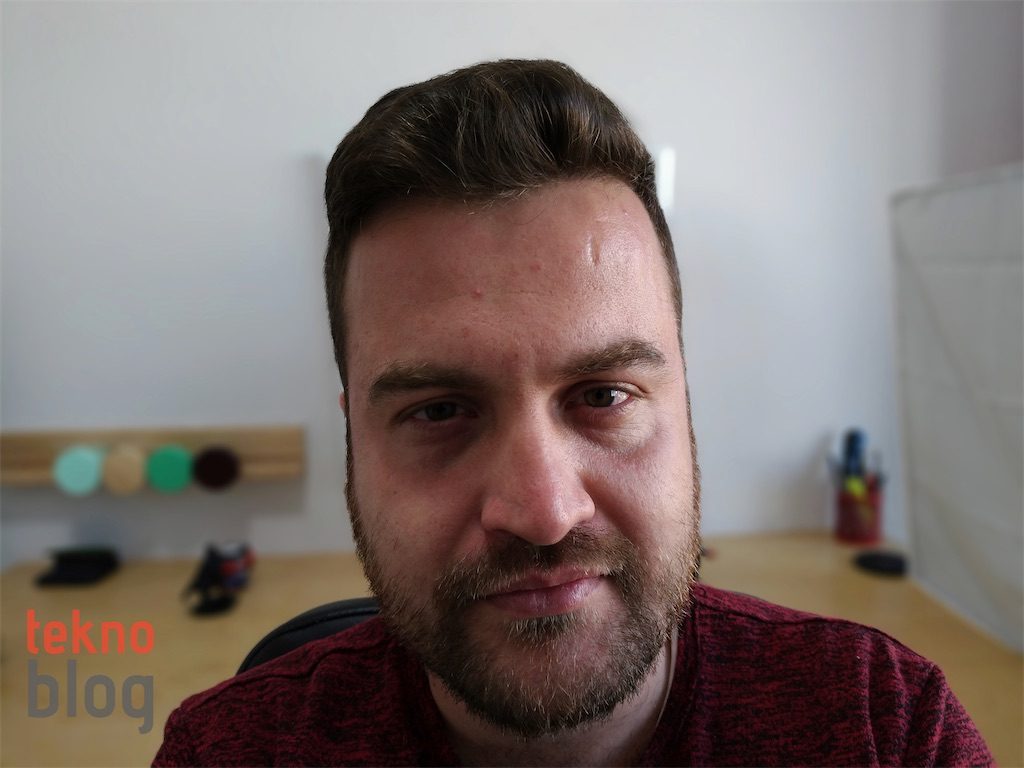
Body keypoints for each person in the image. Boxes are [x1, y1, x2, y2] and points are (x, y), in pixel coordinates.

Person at [154, 59, 992, 767]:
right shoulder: (228, 751)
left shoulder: (885, 728)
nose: (545, 512)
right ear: (354, 440)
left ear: (684, 404)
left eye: (602, 396)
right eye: (439, 410)